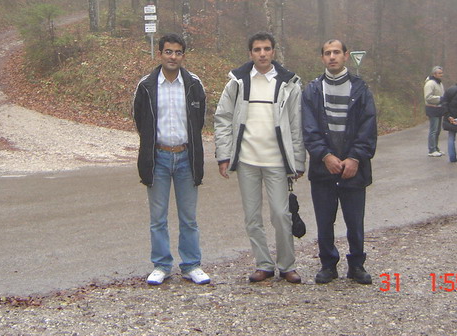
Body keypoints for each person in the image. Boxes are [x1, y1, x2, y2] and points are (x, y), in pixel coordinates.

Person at [214, 32, 305, 284]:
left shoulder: (289, 84)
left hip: (277, 162)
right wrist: (224, 155)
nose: (262, 54)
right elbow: (223, 118)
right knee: (252, 217)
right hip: (247, 161)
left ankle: (287, 265)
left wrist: (298, 161)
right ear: (250, 53)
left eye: (266, 49)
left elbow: (296, 124)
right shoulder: (237, 83)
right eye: (257, 49)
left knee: (281, 215)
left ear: (273, 51)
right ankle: (263, 264)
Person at [133, 33, 210, 285]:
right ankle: (161, 265)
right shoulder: (146, 85)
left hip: (187, 157)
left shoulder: (193, 84)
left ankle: (191, 265)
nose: (173, 57)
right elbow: (140, 121)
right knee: (158, 218)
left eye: (178, 52)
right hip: (158, 158)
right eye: (168, 52)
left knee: (189, 218)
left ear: (183, 56)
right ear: (160, 54)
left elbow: (199, 121)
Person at [302, 39, 377, 285]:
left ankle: (357, 265)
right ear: (322, 58)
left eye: (336, 52)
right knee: (324, 221)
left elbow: (368, 126)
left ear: (346, 55)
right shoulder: (312, 90)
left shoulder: (360, 89)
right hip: (323, 168)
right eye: (327, 53)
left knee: (355, 222)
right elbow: (308, 128)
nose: (332, 57)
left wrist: (355, 157)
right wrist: (325, 156)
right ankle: (328, 265)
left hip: (354, 169)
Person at [423, 66, 445, 157]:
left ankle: (436, 147)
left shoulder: (439, 83)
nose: (441, 75)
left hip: (439, 109)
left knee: (438, 130)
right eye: (439, 73)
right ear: (434, 74)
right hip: (432, 109)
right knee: (433, 130)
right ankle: (431, 149)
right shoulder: (430, 84)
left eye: (441, 73)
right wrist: (440, 99)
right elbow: (428, 97)